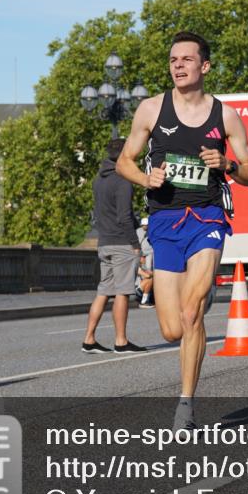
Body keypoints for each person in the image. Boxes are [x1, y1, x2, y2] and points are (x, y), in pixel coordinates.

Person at [117, 31, 248, 430]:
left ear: (204, 66)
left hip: (208, 217)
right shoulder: (150, 109)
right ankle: (199, 299)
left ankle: (185, 404)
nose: (177, 65)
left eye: (186, 59)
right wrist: (146, 179)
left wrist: (228, 165)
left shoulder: (225, 116)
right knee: (170, 328)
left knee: (190, 312)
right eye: (173, 60)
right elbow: (125, 162)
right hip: (165, 222)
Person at [83, 138, 147, 354]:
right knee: (123, 292)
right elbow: (124, 216)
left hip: (104, 242)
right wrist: (135, 244)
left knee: (103, 291)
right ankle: (121, 341)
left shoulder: (98, 180)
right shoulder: (122, 181)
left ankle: (89, 339)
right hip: (121, 243)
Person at [135, 216, 154, 308]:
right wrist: (141, 255)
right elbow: (137, 244)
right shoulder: (138, 231)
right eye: (144, 225)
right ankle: (141, 291)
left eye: (146, 225)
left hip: (150, 253)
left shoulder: (151, 231)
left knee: (149, 273)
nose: (145, 227)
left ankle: (145, 297)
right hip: (141, 254)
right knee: (148, 275)